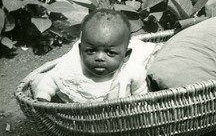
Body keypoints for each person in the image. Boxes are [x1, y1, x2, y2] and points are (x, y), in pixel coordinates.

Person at [32, 9, 160, 103]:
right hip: (82, 119)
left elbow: (142, 96)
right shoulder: (73, 64)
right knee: (40, 81)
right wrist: (44, 96)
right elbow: (52, 78)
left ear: (125, 56)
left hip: (122, 121)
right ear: (80, 50)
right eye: (91, 51)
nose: (99, 57)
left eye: (110, 53)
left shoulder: (132, 71)